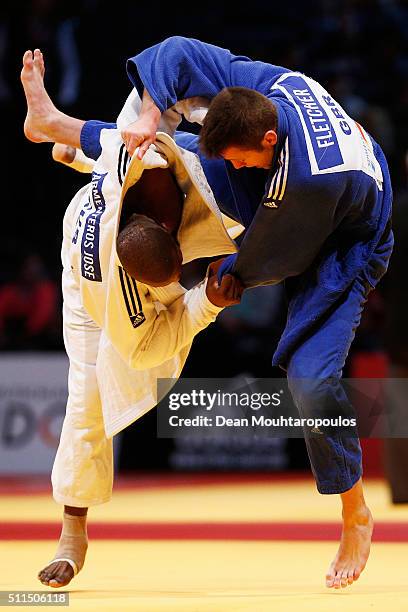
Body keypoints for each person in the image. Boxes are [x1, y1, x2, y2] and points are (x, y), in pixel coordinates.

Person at [117, 37, 393, 590]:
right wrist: (151, 115)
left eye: (241, 157)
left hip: (348, 242)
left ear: (267, 139)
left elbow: (271, 263)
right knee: (178, 153)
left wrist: (212, 280)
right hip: (307, 193)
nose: (234, 163)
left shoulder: (307, 181)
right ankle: (65, 131)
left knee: (311, 383)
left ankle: (354, 510)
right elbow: (178, 51)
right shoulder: (271, 88)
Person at [21, 49, 244, 588]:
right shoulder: (131, 312)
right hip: (86, 289)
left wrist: (73, 148)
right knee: (86, 400)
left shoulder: (143, 164)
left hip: (107, 212)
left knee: (147, 124)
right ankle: (72, 533)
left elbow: (163, 83)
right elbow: (162, 340)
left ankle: (49, 123)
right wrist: (207, 303)